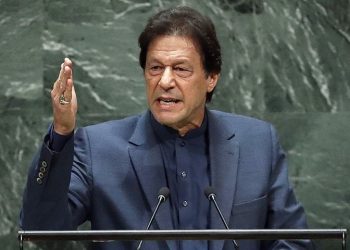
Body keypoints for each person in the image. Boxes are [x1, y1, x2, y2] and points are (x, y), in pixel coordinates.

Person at [20, 6, 313, 250]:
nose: (165, 81)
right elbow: (41, 230)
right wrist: (61, 131)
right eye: (155, 68)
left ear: (211, 77)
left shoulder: (258, 143)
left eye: (181, 69)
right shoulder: (98, 148)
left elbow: (293, 241)